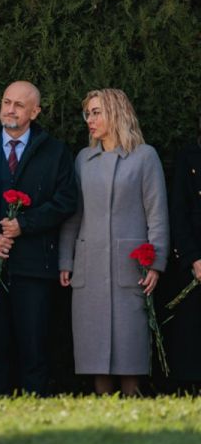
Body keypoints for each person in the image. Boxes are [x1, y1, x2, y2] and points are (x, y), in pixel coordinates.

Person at [0, 81, 77, 396]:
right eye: (6, 102)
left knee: (34, 345)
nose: (10, 109)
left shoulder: (55, 151)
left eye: (19, 105)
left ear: (35, 112)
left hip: (34, 266)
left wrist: (24, 224)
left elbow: (66, 200)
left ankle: (34, 410)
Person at [59, 89, 169, 395]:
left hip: (130, 265)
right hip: (89, 264)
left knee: (129, 343)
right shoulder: (83, 159)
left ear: (116, 113)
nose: (90, 120)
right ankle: (102, 408)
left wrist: (156, 262)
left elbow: (156, 213)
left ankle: (133, 404)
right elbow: (73, 215)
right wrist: (65, 260)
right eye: (88, 114)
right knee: (93, 345)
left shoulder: (145, 157)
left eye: (97, 113)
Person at [166, 118, 201, 388]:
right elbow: (179, 212)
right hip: (196, 263)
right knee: (192, 332)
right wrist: (193, 258)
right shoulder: (189, 158)